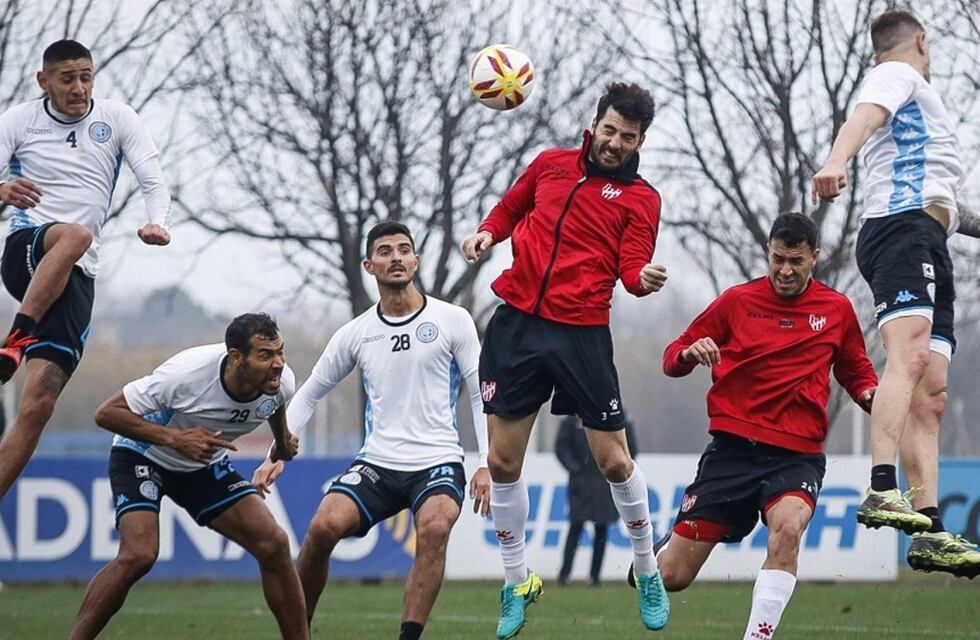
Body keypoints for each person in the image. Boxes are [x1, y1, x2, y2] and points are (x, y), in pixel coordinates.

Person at [461, 81, 670, 637]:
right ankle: (517, 581)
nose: (614, 143)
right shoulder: (551, 165)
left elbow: (631, 266)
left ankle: (647, 569)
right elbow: (510, 207)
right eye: (609, 130)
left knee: (614, 463)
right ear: (595, 124)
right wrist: (487, 233)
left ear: (639, 140)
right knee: (503, 463)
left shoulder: (642, 199)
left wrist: (643, 281)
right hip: (518, 325)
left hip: (581, 335)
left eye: (627, 137)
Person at [251, 221, 490, 640]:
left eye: (403, 249)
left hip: (438, 461)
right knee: (323, 527)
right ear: (369, 264)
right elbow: (308, 393)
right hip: (377, 463)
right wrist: (275, 454)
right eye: (385, 251)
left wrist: (486, 463)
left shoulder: (453, 320)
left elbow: (480, 393)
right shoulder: (357, 333)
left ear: (416, 260)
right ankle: (297, 632)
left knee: (434, 528)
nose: (395, 257)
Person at [812, 9, 980, 576]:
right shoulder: (899, 74)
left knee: (931, 392)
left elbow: (950, 203)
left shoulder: (921, 110)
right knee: (907, 359)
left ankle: (930, 530)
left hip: (929, 235)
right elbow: (863, 116)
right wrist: (837, 159)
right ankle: (883, 486)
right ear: (922, 42)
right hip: (901, 230)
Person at [657, 213, 877, 639]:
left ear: (814, 257)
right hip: (732, 452)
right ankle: (661, 549)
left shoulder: (836, 309)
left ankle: (757, 636)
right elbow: (673, 354)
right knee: (672, 576)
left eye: (795, 260)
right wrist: (688, 354)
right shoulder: (737, 301)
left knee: (788, 530)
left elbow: (856, 371)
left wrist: (872, 396)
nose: (785, 270)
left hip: (796, 456)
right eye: (777, 259)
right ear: (768, 253)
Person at [0, 39, 171, 499]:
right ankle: (16, 339)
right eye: (67, 78)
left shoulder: (116, 119)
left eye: (85, 76)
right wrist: (2, 189)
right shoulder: (18, 121)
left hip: (77, 277)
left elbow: (152, 177)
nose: (78, 88)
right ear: (44, 81)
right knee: (76, 234)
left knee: (38, 405)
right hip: (27, 250)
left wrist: (159, 221)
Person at [69, 313, 307, 640]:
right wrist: (176, 440)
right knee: (139, 555)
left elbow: (275, 402)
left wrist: (281, 441)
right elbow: (107, 413)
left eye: (280, 352)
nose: (278, 363)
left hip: (203, 465)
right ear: (236, 358)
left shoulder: (281, 380)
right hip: (143, 454)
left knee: (275, 544)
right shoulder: (186, 375)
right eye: (266, 355)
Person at [556, 414, 638, 587]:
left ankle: (594, 577)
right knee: (575, 527)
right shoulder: (572, 416)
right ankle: (564, 575)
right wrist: (576, 469)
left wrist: (615, 470)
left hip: (605, 482)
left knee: (601, 528)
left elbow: (630, 447)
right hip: (581, 483)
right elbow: (561, 446)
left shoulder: (617, 414)